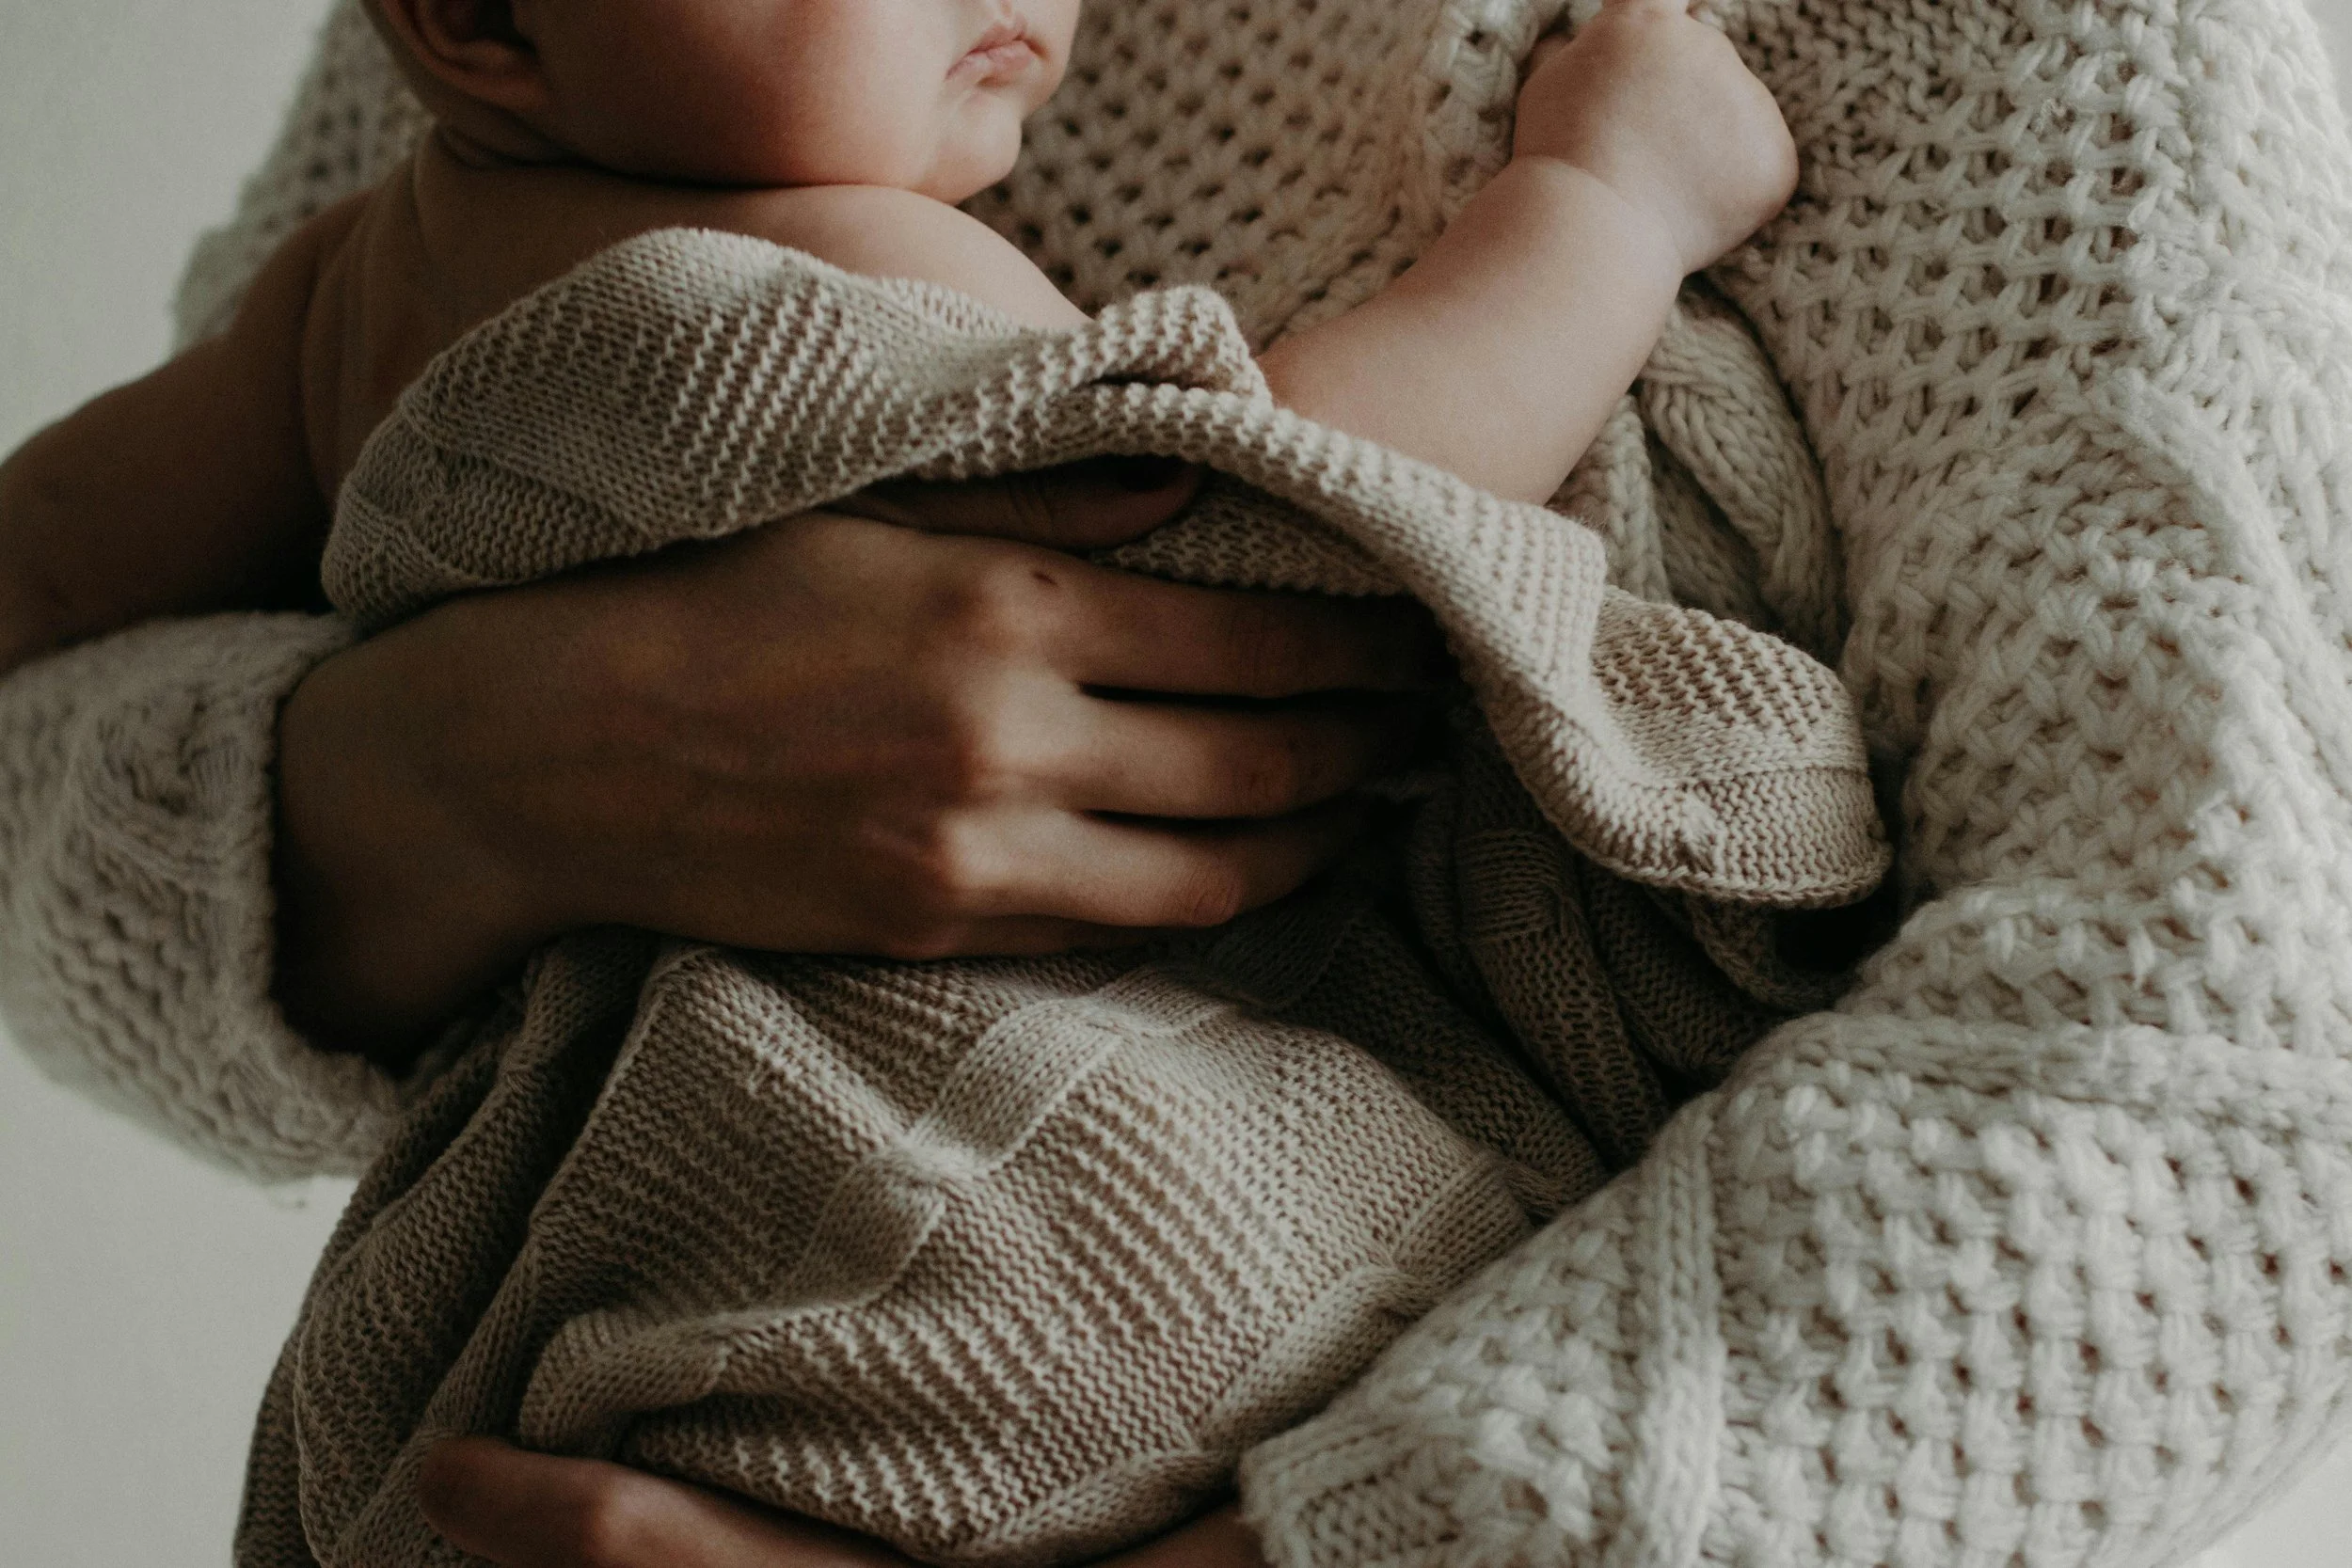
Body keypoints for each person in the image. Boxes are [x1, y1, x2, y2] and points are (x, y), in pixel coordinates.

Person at [0, 0, 1793, 707]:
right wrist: (1600, 204)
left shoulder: (339, 294)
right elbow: (1298, 509)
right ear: (477, 18)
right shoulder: (843, 266)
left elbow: (53, 555)